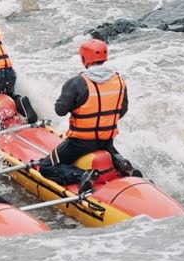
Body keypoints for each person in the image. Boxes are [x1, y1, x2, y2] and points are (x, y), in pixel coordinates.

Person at [39, 38, 142, 190]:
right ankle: (121, 163)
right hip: (107, 140)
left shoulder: (76, 83)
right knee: (109, 149)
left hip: (79, 143)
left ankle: (82, 175)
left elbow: (59, 111)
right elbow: (123, 109)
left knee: (46, 167)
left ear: (83, 59)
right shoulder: (119, 80)